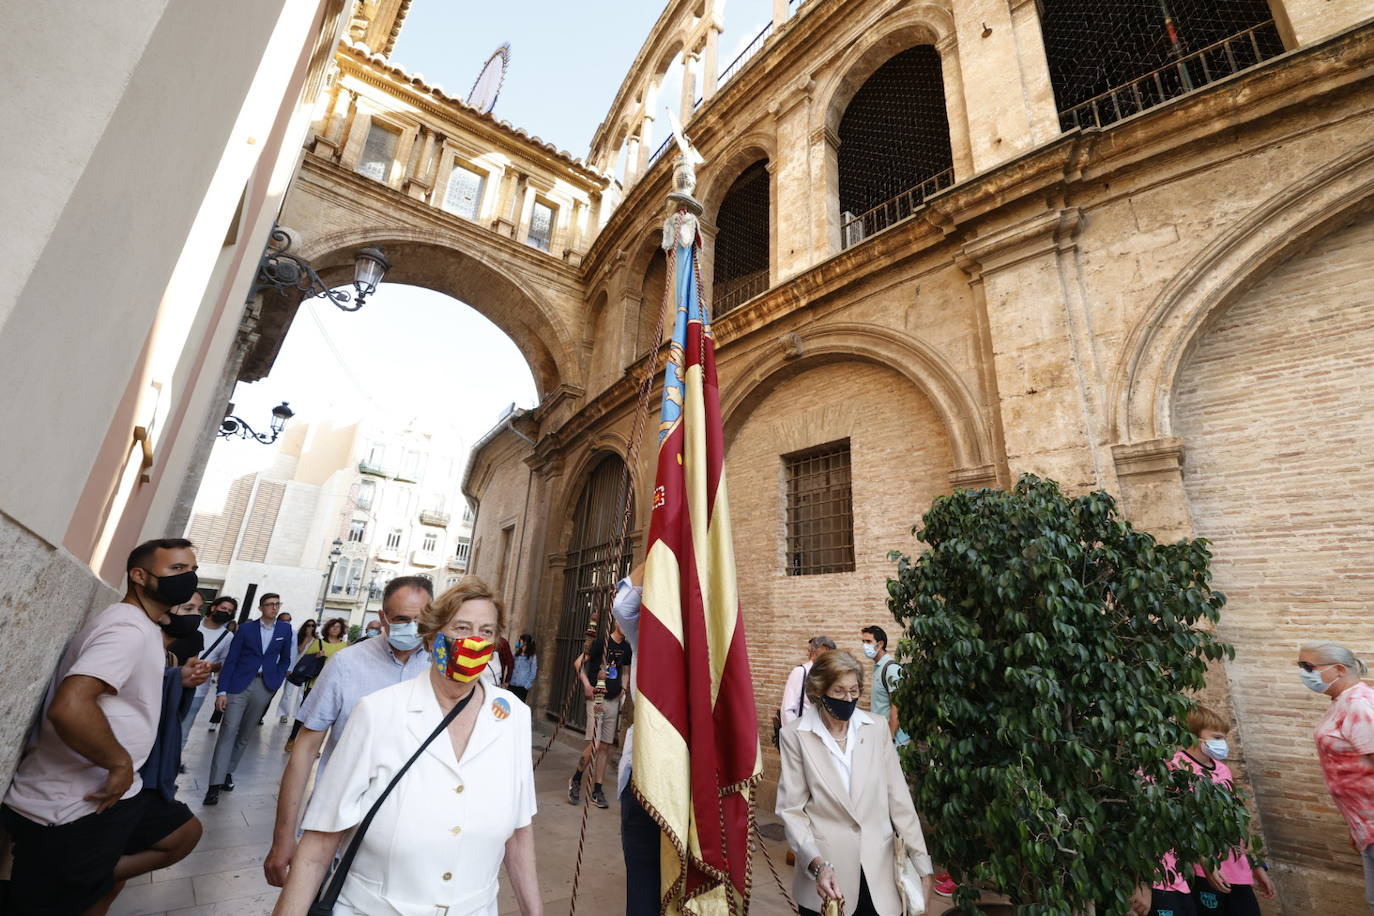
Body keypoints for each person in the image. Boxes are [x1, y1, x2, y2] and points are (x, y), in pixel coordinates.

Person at [271, 576, 543, 916]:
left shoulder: (513, 716)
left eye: (486, 631)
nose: (474, 640)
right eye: (461, 627)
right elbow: (320, 841)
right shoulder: (377, 712)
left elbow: (518, 830)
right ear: (432, 636)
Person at [0, 538, 211, 915]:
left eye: (192, 569)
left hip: (112, 795)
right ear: (140, 576)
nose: (188, 577)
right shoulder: (126, 629)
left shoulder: (143, 627)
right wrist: (118, 763)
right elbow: (70, 706)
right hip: (70, 808)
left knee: (182, 832)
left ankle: (94, 874)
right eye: (177, 569)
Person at [264, 576, 433, 887]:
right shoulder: (347, 663)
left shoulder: (442, 669)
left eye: (421, 620)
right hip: (338, 821)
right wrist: (282, 837)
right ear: (383, 618)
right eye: (401, 620)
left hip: (411, 829)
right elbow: (304, 751)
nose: (412, 627)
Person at [777, 649, 935, 916]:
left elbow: (900, 802)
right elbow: (792, 811)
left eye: (854, 691)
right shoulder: (795, 736)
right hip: (826, 878)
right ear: (819, 690)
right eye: (839, 691)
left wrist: (923, 867)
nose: (848, 699)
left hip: (880, 874)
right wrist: (817, 864)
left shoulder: (876, 728)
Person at [1299, 641, 1374, 913]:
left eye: (1308, 667)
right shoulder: (1341, 701)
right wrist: (1357, 826)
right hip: (1366, 825)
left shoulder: (1358, 704)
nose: (1303, 673)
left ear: (1339, 669)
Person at [203, 592, 293, 805]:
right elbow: (231, 660)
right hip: (238, 685)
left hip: (264, 686)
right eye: (269, 604)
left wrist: (276, 682)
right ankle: (213, 785)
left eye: (277, 604)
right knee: (228, 730)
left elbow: (285, 659)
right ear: (261, 608)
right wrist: (222, 691)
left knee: (245, 734)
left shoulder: (285, 629)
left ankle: (228, 773)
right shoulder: (246, 629)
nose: (274, 607)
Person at [568, 619, 633, 809]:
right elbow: (578, 663)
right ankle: (577, 778)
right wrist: (587, 685)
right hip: (597, 699)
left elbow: (625, 670)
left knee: (605, 746)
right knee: (595, 744)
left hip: (613, 701)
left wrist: (623, 687)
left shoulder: (627, 649)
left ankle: (597, 789)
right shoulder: (601, 643)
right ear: (616, 623)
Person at [180, 595, 235, 751]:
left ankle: (172, 763)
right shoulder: (194, 623)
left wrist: (211, 667)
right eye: (223, 608)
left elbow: (222, 664)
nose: (225, 612)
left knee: (184, 727)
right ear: (213, 608)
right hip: (176, 679)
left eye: (229, 611)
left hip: (198, 688)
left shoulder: (228, 636)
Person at [284, 617, 349, 749]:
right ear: (327, 628)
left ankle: (312, 747)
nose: (335, 628)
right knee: (304, 713)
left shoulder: (345, 646)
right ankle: (292, 739)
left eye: (338, 627)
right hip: (314, 684)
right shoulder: (318, 643)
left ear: (342, 630)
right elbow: (305, 660)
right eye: (333, 626)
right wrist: (316, 656)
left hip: (332, 686)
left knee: (322, 717)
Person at [782, 636, 837, 727]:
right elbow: (787, 709)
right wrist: (794, 735)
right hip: (804, 730)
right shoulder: (800, 672)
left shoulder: (831, 674)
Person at [277, 617, 318, 724]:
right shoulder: (298, 637)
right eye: (308, 625)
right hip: (294, 667)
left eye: (313, 625)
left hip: (307, 669)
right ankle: (283, 714)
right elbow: (299, 650)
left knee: (300, 694)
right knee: (288, 693)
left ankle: (298, 715)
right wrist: (306, 638)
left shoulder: (317, 640)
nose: (311, 627)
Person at [510, 633, 538, 703]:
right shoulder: (517, 654)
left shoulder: (532, 656)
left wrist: (527, 685)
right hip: (512, 683)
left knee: (518, 706)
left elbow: (533, 672)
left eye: (521, 641)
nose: (519, 642)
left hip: (522, 686)